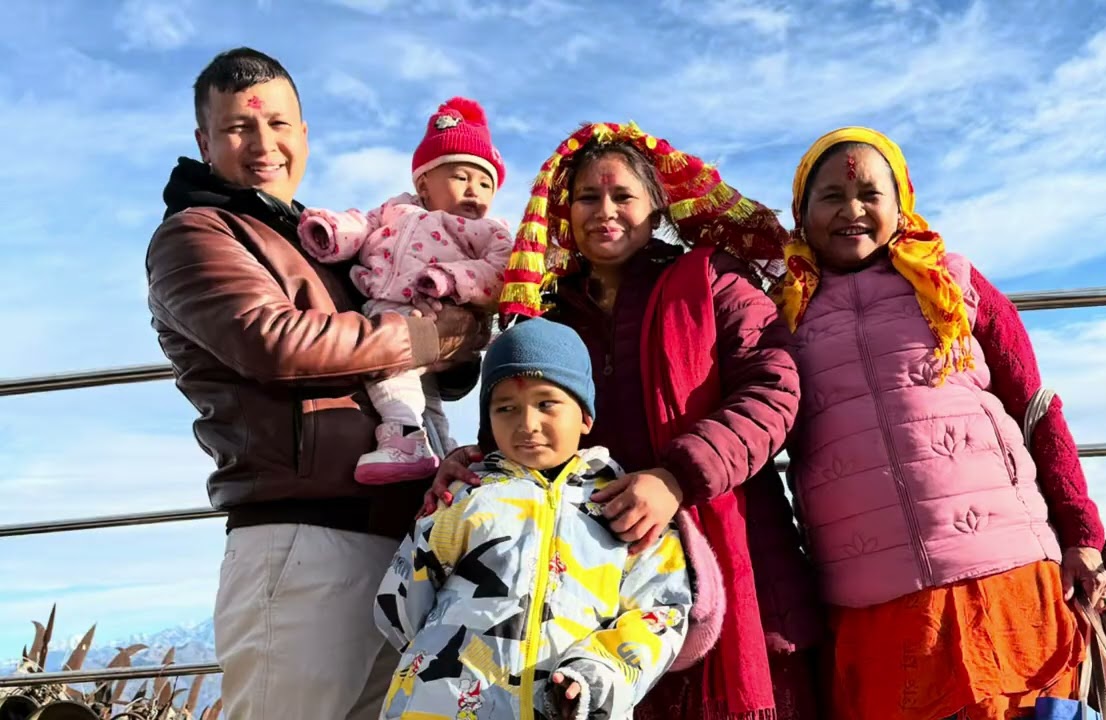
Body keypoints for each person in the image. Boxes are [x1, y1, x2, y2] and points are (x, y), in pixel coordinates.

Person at [424, 122, 825, 719]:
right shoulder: (549, 315)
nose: (604, 212)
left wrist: (676, 478)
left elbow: (774, 387)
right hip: (593, 569)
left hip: (730, 541)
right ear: (565, 208)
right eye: (587, 197)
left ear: (656, 205)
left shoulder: (713, 279)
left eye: (622, 197)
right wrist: (479, 465)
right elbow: (518, 426)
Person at [144, 47, 488, 720]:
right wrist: (435, 334)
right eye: (239, 128)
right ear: (204, 141)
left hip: (400, 544)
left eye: (278, 125)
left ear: (304, 134)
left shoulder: (320, 241)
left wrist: (458, 331)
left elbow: (445, 374)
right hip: (301, 542)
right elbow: (274, 344)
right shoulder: (196, 233)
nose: (263, 144)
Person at [773, 126, 1106, 720]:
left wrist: (1082, 534)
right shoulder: (782, 311)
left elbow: (1035, 408)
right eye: (830, 196)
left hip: (1006, 577)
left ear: (900, 201)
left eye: (871, 195)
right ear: (802, 212)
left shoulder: (951, 281)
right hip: (872, 595)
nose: (851, 210)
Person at [375, 318, 725, 719]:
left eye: (547, 404)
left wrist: (598, 674)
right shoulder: (466, 496)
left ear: (585, 417)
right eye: (505, 407)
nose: (527, 424)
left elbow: (660, 611)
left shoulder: (624, 505)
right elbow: (399, 606)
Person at [299, 96, 513, 484]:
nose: (475, 191)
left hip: (427, 313)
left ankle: (404, 439)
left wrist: (450, 279)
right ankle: (443, 454)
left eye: (486, 183)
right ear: (424, 184)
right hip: (383, 304)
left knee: (389, 374)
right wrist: (331, 231)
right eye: (462, 177)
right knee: (425, 400)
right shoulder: (396, 210)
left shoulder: (485, 230)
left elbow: (499, 271)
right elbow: (359, 225)